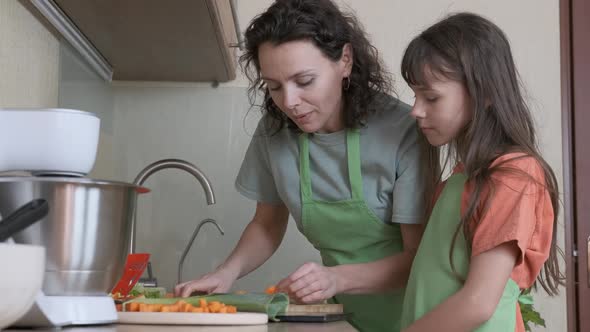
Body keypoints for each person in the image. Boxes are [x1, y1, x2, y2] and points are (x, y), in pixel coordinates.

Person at [174, 0, 427, 330]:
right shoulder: (274, 130)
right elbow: (267, 225)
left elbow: (418, 259)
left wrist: (334, 279)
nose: (289, 102)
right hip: (350, 318)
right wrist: (226, 272)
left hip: (418, 317)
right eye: (274, 86)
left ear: (345, 61)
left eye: (304, 81)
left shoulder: (403, 131)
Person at [397, 12, 564, 332]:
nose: (416, 110)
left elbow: (478, 303)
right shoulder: (456, 182)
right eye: (415, 96)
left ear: (484, 94)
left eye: (431, 97)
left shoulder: (513, 177)